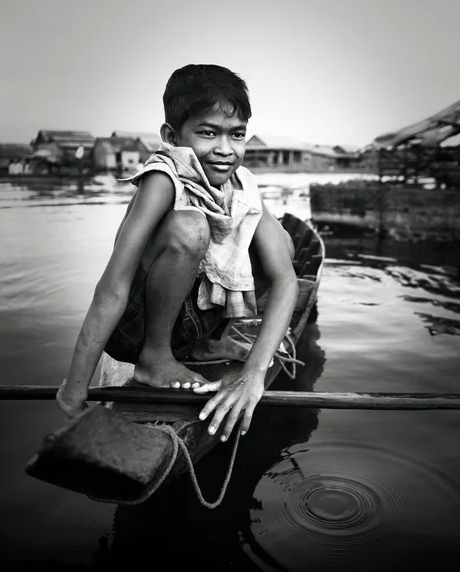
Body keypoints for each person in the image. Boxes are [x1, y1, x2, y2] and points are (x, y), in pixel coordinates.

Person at [56, 63, 298, 442]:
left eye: (236, 135)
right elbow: (112, 287)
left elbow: (286, 279)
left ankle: (209, 341)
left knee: (281, 242)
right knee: (191, 227)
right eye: (207, 133)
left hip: (191, 322)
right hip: (136, 329)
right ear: (172, 135)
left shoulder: (242, 185)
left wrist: (254, 374)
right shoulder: (163, 178)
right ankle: (155, 360)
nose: (225, 149)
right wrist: (76, 385)